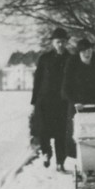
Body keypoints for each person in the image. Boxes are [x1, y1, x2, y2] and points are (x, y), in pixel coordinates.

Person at [61, 38, 95, 159]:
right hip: (78, 105)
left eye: (89, 51)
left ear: (92, 50)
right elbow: (66, 87)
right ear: (79, 53)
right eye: (83, 52)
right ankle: (78, 158)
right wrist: (74, 101)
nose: (87, 54)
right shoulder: (72, 63)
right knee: (78, 133)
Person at [31, 28, 71, 172]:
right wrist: (34, 101)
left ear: (66, 43)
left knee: (61, 133)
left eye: (63, 42)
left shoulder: (70, 59)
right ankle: (46, 153)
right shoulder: (44, 58)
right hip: (45, 100)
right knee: (43, 130)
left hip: (62, 102)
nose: (60, 44)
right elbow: (37, 80)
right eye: (57, 42)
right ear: (53, 43)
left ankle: (60, 161)